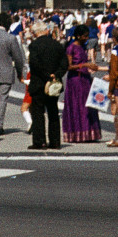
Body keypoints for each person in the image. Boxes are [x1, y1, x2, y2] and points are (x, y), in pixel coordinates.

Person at [26, 22, 69, 150]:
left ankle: (40, 141)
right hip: (54, 84)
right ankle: (55, 141)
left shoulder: (34, 45)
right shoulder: (57, 45)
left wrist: (46, 75)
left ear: (35, 33)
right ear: (46, 31)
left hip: (39, 82)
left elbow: (34, 63)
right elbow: (64, 63)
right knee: (53, 112)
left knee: (38, 113)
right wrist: (55, 75)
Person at [0, 12, 26, 135]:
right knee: (2, 99)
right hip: (6, 72)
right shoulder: (10, 38)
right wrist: (20, 73)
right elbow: (18, 58)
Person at [63, 25, 102, 142]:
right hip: (75, 80)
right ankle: (78, 133)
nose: (86, 38)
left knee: (87, 106)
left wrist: (90, 68)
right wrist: (84, 65)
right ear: (78, 36)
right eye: (85, 36)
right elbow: (68, 67)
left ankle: (89, 133)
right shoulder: (71, 48)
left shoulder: (82, 47)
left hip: (85, 79)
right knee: (78, 105)